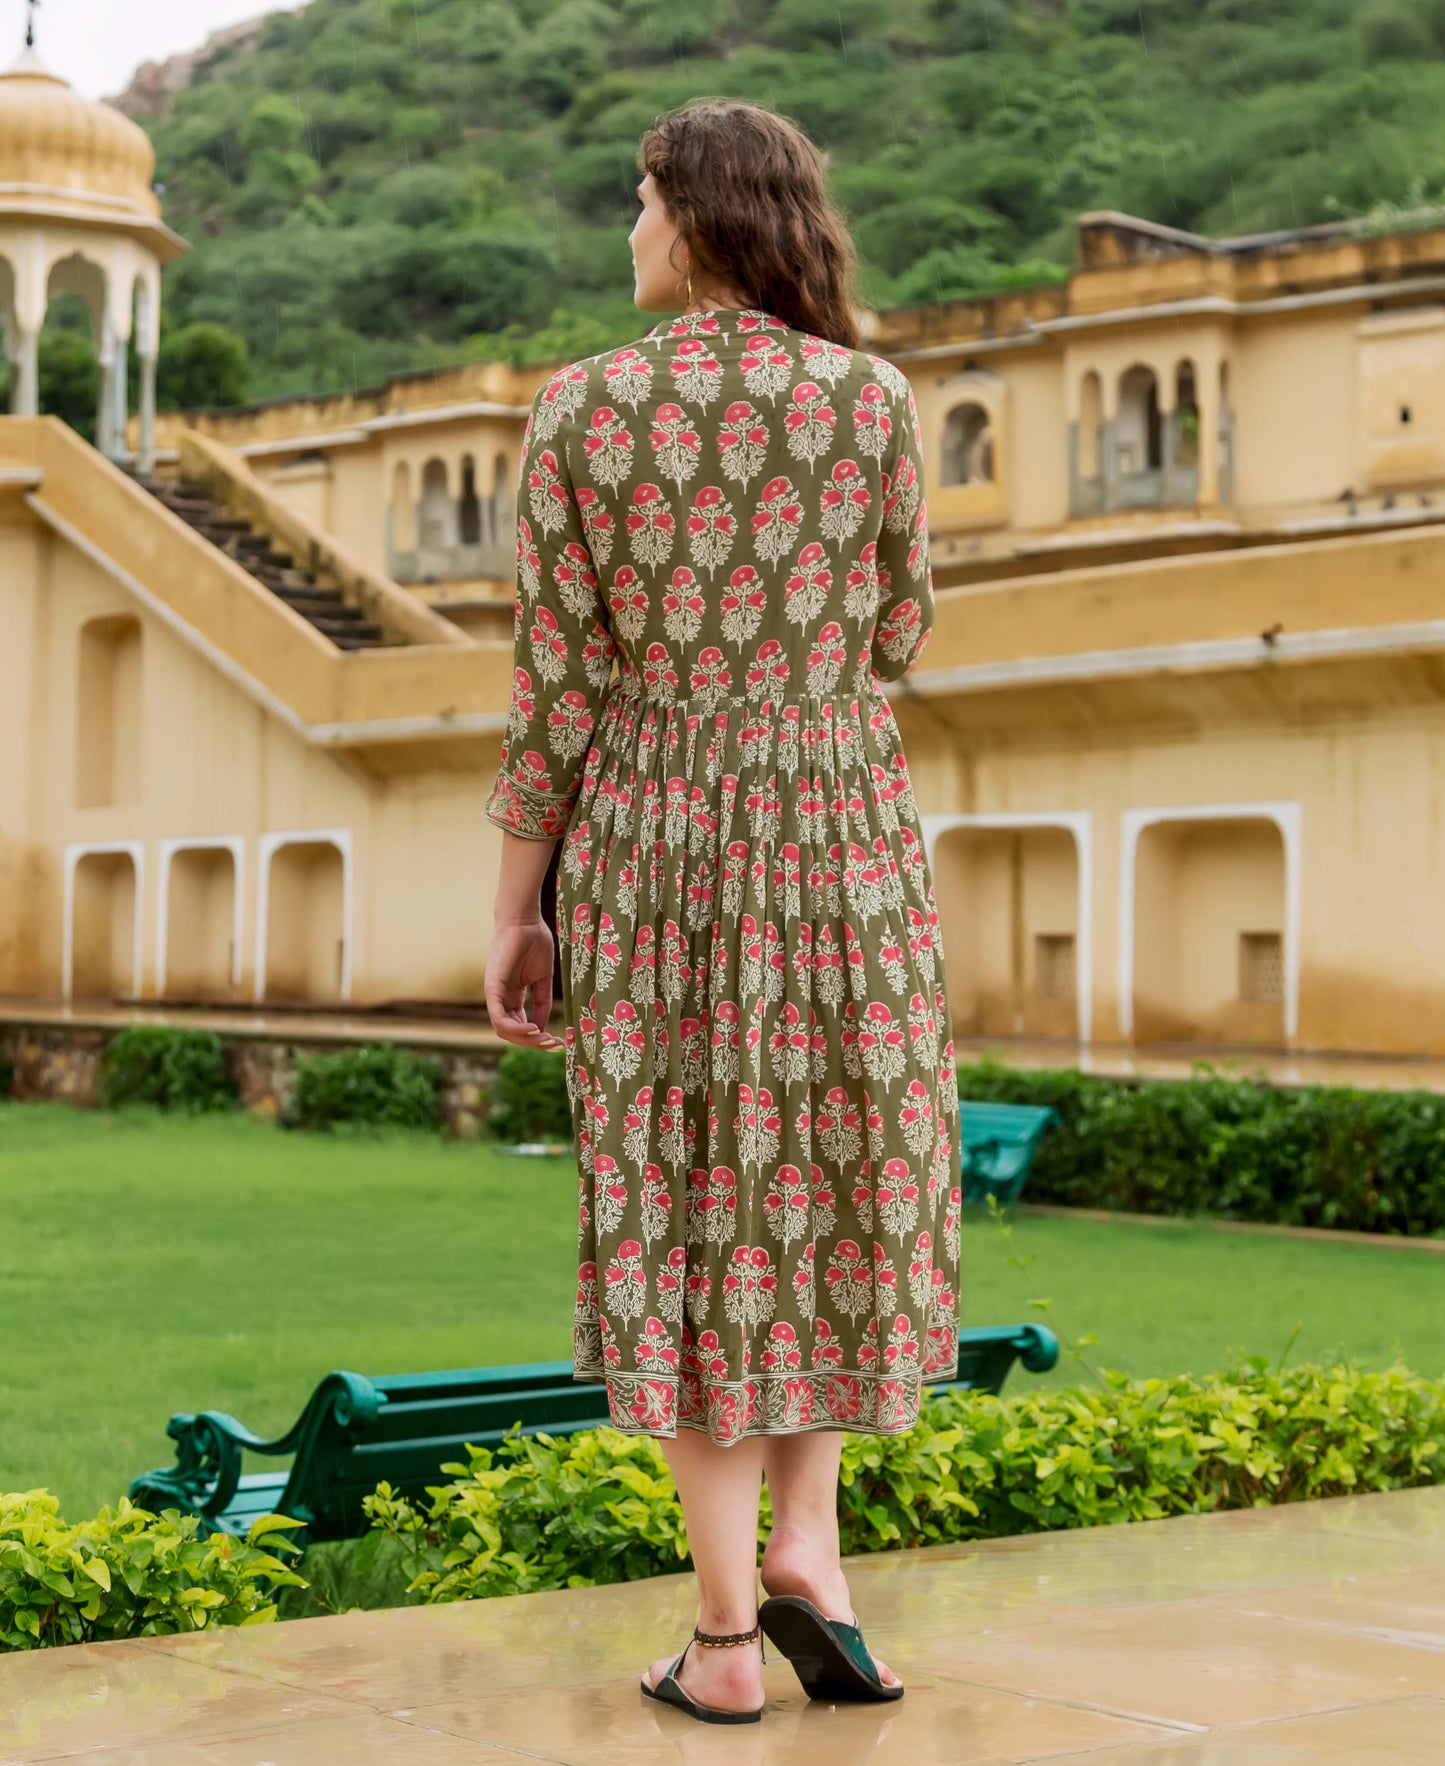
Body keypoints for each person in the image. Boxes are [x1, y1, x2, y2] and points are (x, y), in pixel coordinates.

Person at [484, 97, 961, 1726]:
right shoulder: (871, 401)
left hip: (655, 836)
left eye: (636, 203)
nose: (626, 233)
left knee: (691, 1201)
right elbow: (897, 628)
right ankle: (811, 1550)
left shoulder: (582, 413)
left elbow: (555, 691)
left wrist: (517, 906)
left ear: (691, 216)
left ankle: (720, 1637)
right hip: (843, 831)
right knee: (828, 1173)